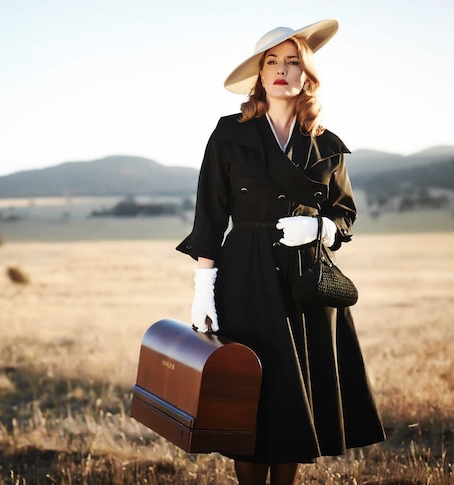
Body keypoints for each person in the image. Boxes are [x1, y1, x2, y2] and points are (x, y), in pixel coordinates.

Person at [176, 19, 386, 485]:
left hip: (305, 280)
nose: (281, 71)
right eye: (272, 62)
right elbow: (209, 216)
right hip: (244, 276)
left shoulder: (327, 143)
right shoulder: (230, 133)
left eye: (292, 62)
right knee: (251, 396)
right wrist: (203, 292)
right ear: (259, 73)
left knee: (296, 399)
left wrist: (319, 227)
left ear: (307, 74)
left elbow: (344, 215)